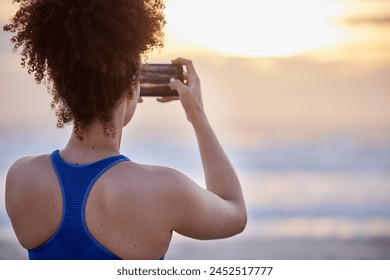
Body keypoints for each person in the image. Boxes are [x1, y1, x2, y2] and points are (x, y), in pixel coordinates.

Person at [4, 0, 246, 260]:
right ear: (131, 88)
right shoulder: (162, 190)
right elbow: (234, 212)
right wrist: (197, 115)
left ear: (63, 87)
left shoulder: (21, 177)